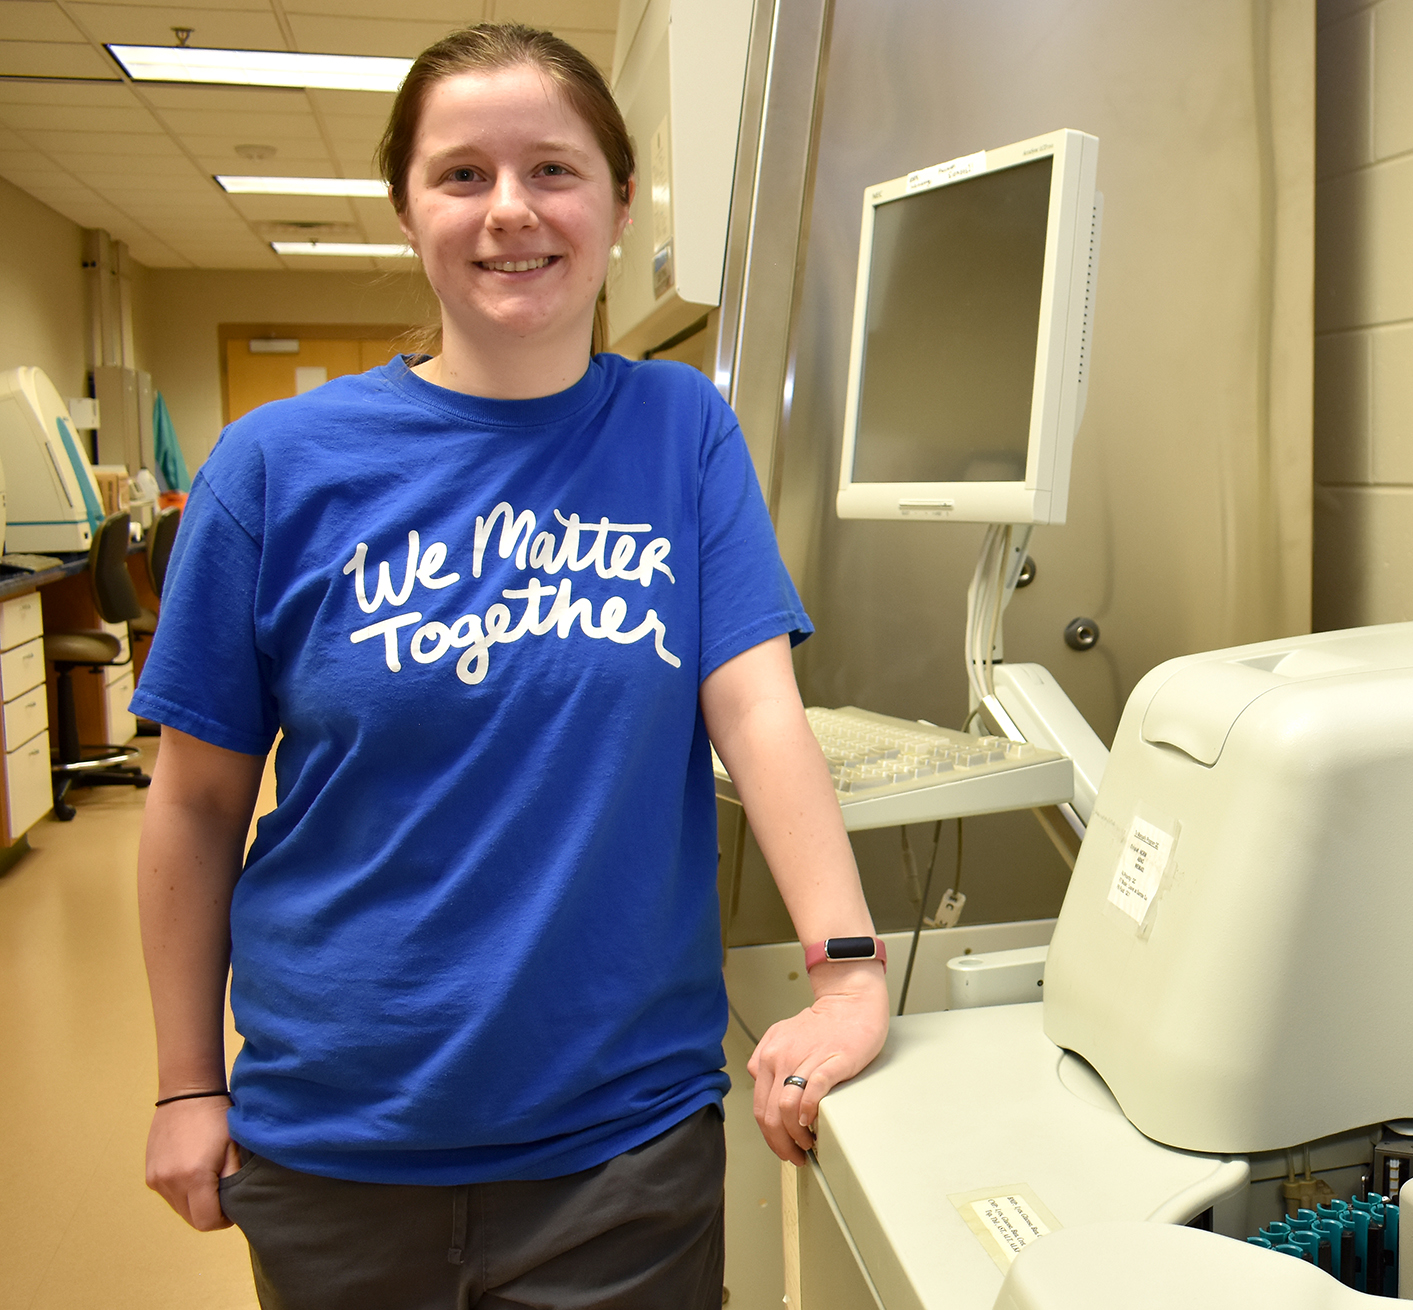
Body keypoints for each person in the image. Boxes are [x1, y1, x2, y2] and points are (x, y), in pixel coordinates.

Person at [133, 24, 886, 1306]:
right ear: (407, 209)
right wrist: (186, 1080)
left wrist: (849, 970)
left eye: (552, 169)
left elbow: (759, 712)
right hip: (337, 1147)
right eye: (462, 175)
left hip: (618, 1146)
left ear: (619, 198)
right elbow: (196, 800)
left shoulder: (679, 428)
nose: (511, 213)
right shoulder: (275, 467)